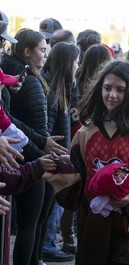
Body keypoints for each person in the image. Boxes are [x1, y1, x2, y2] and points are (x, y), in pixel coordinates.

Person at [43, 60, 129, 264]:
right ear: (99, 89)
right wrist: (58, 169)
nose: (113, 95)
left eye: (120, 90)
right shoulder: (85, 133)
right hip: (91, 226)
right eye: (108, 88)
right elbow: (77, 182)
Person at [0, 28, 68, 265]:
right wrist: (42, 153)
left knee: (29, 224)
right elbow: (22, 124)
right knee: (30, 224)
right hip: (27, 158)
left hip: (19, 154)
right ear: (27, 51)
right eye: (41, 50)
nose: (44, 56)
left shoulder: (16, 75)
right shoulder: (27, 79)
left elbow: (9, 119)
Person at [39, 42, 80, 262]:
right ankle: (47, 245)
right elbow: (46, 130)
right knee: (53, 205)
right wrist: (56, 155)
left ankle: (48, 244)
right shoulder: (53, 93)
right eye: (75, 61)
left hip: (58, 156)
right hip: (53, 159)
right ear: (66, 63)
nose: (78, 66)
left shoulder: (61, 87)